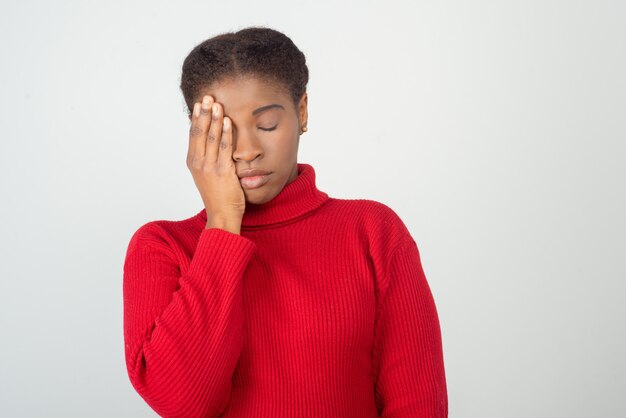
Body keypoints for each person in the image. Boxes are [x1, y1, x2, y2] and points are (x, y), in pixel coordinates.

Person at [123, 26, 448, 418]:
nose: (246, 151)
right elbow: (183, 404)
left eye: (266, 126)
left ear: (302, 111)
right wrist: (224, 221)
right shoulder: (161, 246)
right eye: (221, 132)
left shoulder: (373, 232)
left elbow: (418, 405)